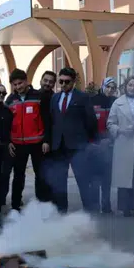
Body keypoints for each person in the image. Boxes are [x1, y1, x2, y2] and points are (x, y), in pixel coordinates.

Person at [47, 67, 98, 213]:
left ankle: (89, 211)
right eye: (61, 81)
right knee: (60, 181)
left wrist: (89, 141)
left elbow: (91, 120)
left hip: (77, 146)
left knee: (83, 179)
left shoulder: (82, 97)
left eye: (66, 82)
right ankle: (62, 210)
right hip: (59, 145)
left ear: (73, 82)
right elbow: (52, 121)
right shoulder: (55, 98)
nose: (63, 85)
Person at [5, 69, 52, 211]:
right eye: (15, 84)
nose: (18, 87)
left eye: (20, 83)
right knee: (18, 175)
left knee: (40, 174)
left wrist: (46, 140)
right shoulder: (10, 100)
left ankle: (41, 203)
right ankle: (15, 204)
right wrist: (9, 142)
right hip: (18, 144)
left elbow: (47, 119)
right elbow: (6, 123)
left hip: (38, 143)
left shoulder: (39, 96)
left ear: (26, 81)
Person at [107, 76, 134, 217]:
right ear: (125, 86)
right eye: (130, 85)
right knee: (125, 174)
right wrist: (120, 130)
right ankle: (125, 207)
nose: (132, 88)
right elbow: (110, 123)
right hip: (124, 141)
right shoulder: (117, 103)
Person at [88, 78, 118, 214]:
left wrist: (110, 140)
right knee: (94, 177)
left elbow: (117, 123)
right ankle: (94, 206)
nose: (110, 90)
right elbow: (87, 123)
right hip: (94, 145)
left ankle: (106, 206)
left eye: (113, 87)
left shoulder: (116, 102)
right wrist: (93, 141)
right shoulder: (92, 100)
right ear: (103, 86)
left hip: (110, 145)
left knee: (107, 178)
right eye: (108, 87)